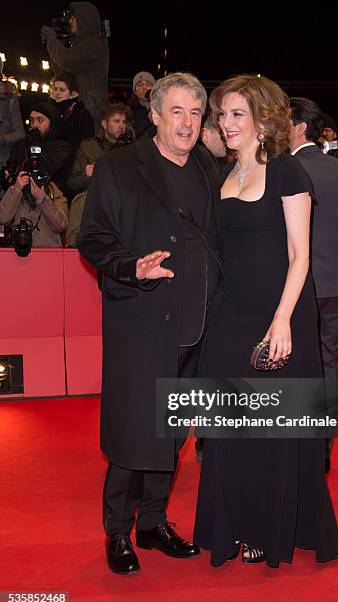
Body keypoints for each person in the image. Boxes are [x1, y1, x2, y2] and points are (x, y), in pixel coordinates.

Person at [193, 75, 338, 568]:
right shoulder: (223, 175)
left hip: (279, 312)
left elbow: (301, 256)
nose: (226, 123)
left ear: (263, 119)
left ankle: (265, 528)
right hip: (230, 313)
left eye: (238, 114)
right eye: (223, 114)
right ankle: (232, 524)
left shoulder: (284, 172)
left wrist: (282, 323)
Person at [76, 72, 223, 575]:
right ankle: (118, 530)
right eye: (176, 111)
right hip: (141, 324)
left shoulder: (208, 166)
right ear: (155, 115)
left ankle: (153, 522)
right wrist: (129, 265)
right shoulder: (120, 167)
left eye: (194, 113)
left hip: (195, 329)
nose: (186, 123)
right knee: (133, 433)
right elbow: (93, 239)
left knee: (172, 431)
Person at [289, 98, 338, 472]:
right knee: (328, 362)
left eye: (285, 122)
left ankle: (304, 445)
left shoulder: (289, 168)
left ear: (300, 127)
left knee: (299, 363)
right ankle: (323, 447)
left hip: (304, 282)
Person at [66, 103, 133, 247]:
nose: (121, 125)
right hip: (93, 202)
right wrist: (86, 175)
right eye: (116, 121)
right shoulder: (88, 146)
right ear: (104, 124)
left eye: (123, 122)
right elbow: (72, 182)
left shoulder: (130, 148)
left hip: (122, 206)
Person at [41, 2, 109, 126]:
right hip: (79, 111)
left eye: (73, 18)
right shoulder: (82, 46)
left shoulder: (95, 45)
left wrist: (51, 40)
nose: (70, 21)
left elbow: (64, 60)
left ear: (84, 21)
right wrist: (59, 42)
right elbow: (60, 72)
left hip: (90, 115)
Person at [0, 171, 68, 247]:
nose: (34, 179)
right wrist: (16, 190)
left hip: (48, 253)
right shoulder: (17, 191)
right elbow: (3, 218)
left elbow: (60, 226)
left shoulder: (54, 193)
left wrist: (43, 200)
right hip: (18, 253)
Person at [49, 70, 94, 150]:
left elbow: (88, 144)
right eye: (55, 89)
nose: (57, 93)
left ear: (72, 92)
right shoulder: (48, 111)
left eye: (62, 90)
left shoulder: (81, 113)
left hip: (74, 160)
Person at [128, 71, 155, 139]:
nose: (144, 88)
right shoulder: (128, 109)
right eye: (140, 85)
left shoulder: (161, 106)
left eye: (148, 84)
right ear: (135, 91)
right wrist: (148, 118)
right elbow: (132, 133)